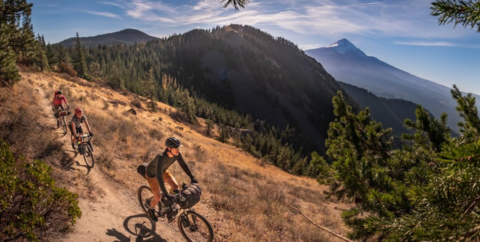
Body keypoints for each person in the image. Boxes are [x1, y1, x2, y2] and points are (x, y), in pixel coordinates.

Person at [145, 137, 197, 222]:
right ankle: (150, 208)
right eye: (176, 148)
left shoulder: (177, 155)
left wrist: (192, 177)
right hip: (152, 175)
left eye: (178, 148)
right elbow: (158, 176)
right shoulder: (161, 157)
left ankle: (167, 203)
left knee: (175, 186)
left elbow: (183, 165)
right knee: (158, 197)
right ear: (169, 148)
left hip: (162, 171)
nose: (178, 150)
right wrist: (165, 192)